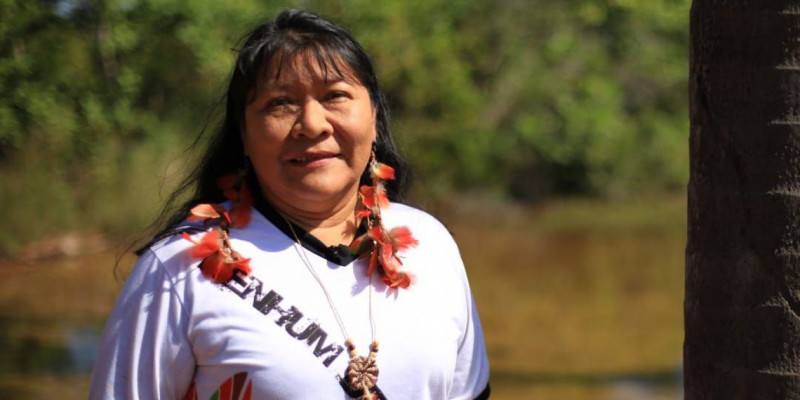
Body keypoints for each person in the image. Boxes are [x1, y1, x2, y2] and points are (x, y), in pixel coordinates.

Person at [89, 9, 490, 400]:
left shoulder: (432, 245)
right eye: (280, 103)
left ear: (374, 118)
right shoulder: (179, 269)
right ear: (244, 134)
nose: (312, 124)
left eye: (335, 95)